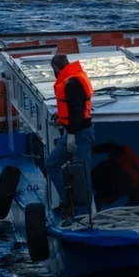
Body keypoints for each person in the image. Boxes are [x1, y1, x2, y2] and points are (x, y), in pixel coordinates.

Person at [45, 54, 96, 219]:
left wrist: (72, 133)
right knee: (52, 164)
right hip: (73, 131)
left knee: (82, 172)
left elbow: (77, 112)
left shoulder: (72, 83)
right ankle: (69, 201)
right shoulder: (72, 79)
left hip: (80, 133)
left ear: (56, 68)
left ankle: (85, 212)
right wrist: (60, 118)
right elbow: (71, 109)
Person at [91, 142, 139, 211]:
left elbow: (112, 147)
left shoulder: (122, 156)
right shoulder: (137, 181)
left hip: (115, 182)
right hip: (117, 185)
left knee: (102, 197)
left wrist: (90, 149)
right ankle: (95, 205)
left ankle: (95, 206)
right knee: (103, 197)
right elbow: (136, 198)